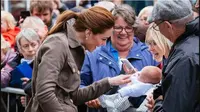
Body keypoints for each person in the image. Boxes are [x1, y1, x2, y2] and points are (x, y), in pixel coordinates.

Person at [24, 6, 132, 112]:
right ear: (88, 32)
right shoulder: (58, 44)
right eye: (103, 39)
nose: (103, 44)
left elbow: (74, 96)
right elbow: (44, 93)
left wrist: (110, 82)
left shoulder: (76, 48)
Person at [80, 4, 158, 112]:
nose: (123, 32)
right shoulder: (93, 54)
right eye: (118, 28)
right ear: (109, 29)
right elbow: (79, 85)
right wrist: (89, 97)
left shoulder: (149, 53)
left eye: (128, 28)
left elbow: (160, 85)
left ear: (134, 29)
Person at [146, 0, 199, 111]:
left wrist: (158, 102)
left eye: (157, 26)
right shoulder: (190, 45)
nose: (159, 31)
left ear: (167, 26)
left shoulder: (185, 58)